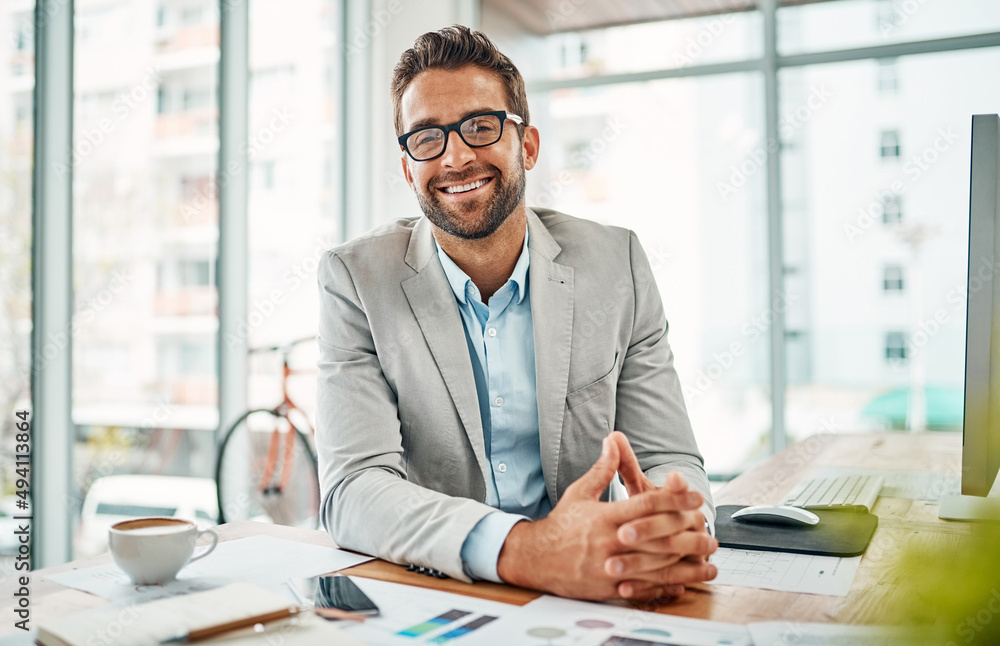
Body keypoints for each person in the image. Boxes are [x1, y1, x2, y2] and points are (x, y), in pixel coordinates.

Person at [316, 25, 718, 602]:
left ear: (526, 145)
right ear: (408, 167)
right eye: (427, 137)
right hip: (434, 591)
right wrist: (530, 551)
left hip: (589, 594)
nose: (456, 156)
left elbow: (667, 454)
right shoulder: (354, 280)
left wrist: (676, 530)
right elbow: (354, 489)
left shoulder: (617, 264)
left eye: (480, 127)